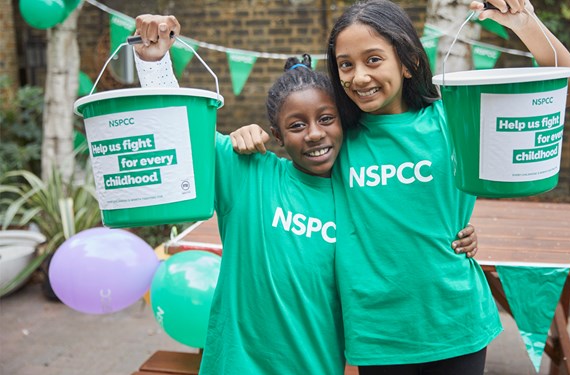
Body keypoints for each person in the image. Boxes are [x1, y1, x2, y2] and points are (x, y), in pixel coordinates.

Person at [133, 13, 479, 375]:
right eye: (296, 125)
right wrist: (155, 61)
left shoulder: (354, 185)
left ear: (345, 123)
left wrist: (458, 229)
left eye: (326, 119)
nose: (314, 134)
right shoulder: (248, 174)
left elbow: (403, 210)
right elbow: (177, 128)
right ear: (277, 135)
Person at [322, 1, 570, 374]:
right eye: (345, 64)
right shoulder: (335, 136)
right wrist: (246, 137)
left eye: (373, 59)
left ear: (409, 62)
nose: (359, 76)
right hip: (379, 331)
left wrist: (525, 24)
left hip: (456, 320)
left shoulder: (454, 117)